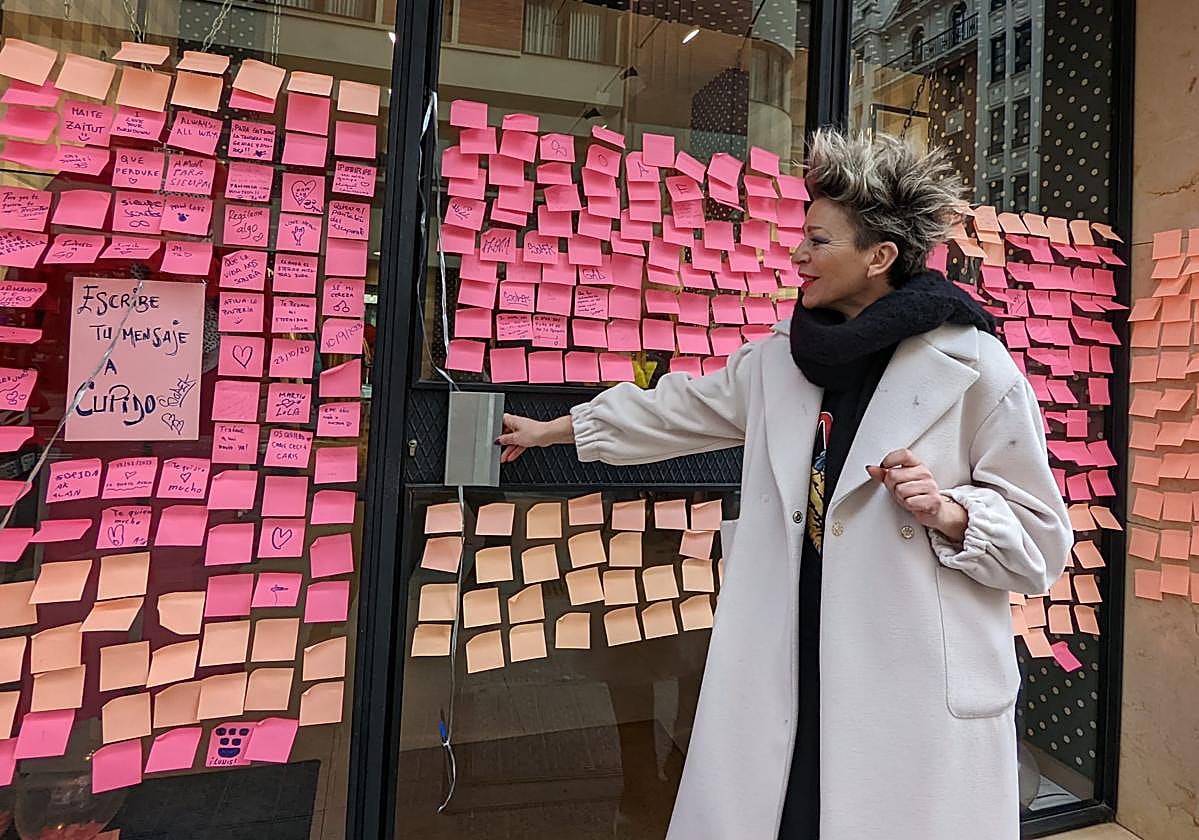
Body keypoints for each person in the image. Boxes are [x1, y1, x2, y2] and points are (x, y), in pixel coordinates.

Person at [496, 129, 1071, 840]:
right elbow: (677, 409)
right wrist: (555, 430)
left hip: (904, 677)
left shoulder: (974, 365)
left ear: (878, 256)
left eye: (817, 241)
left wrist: (952, 511)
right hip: (789, 656)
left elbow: (1041, 546)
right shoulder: (780, 361)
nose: (795, 255)